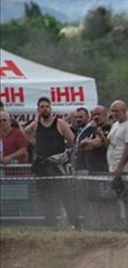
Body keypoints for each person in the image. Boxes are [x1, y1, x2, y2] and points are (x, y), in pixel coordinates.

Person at [22, 97, 76, 227]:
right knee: (46, 196)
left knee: (65, 195)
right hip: (42, 165)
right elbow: (25, 132)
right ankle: (50, 223)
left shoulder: (59, 123)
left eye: (47, 106)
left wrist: (64, 150)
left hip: (57, 165)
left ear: (50, 108)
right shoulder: (36, 124)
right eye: (42, 107)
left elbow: (71, 139)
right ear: (38, 110)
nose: (45, 109)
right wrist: (36, 144)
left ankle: (74, 222)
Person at [104, 100, 128, 230]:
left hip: (125, 168)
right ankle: (117, 224)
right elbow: (110, 143)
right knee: (114, 197)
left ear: (124, 111)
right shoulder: (115, 125)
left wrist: (120, 166)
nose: (114, 113)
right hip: (113, 167)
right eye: (112, 111)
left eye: (117, 111)